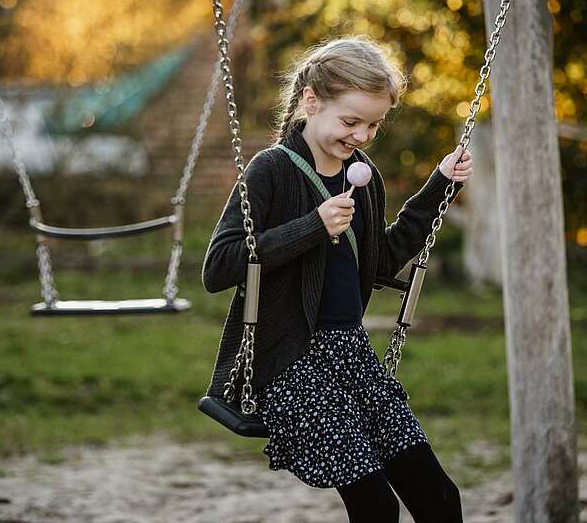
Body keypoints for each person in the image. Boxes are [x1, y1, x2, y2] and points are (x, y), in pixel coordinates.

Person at [201, 35, 474, 522]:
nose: (363, 135)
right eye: (351, 122)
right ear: (311, 102)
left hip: (351, 357)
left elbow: (380, 261)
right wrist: (312, 226)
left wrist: (440, 186)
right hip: (287, 364)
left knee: (439, 499)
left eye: (373, 124)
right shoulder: (270, 171)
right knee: (376, 506)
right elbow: (218, 266)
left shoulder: (364, 176)